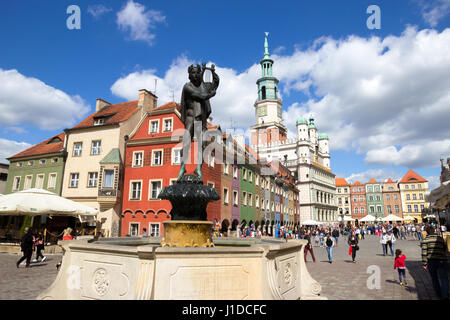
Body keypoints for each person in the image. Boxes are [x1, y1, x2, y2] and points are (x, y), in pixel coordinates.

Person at [421, 226, 449, 300]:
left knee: (434, 278)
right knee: (444, 278)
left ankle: (439, 294)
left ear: (427, 232)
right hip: (442, 260)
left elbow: (424, 252)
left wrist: (424, 263)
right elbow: (445, 248)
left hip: (431, 261)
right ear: (434, 231)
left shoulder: (425, 240)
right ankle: (445, 294)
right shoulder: (440, 238)